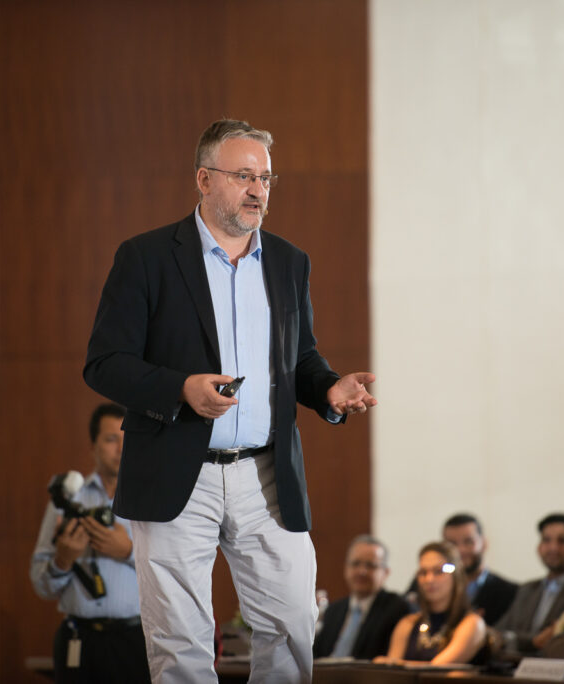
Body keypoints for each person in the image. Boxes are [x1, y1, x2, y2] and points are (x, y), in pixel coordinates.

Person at [83, 118, 377, 683]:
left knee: (291, 627)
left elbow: (301, 359)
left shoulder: (290, 262)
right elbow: (104, 363)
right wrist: (180, 389)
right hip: (176, 472)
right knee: (180, 644)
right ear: (204, 179)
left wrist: (329, 389)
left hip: (266, 473)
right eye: (243, 176)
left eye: (266, 179)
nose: (258, 191)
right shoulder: (145, 257)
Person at [30, 403, 151, 684]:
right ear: (92, 446)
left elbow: (174, 571)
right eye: (111, 439)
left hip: (137, 640)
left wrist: (130, 552)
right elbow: (40, 584)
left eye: (128, 439)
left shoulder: (151, 503)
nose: (121, 448)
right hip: (78, 639)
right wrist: (62, 561)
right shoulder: (67, 501)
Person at [494, 513, 564, 654]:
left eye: (563, 541)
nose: (553, 547)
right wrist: (532, 641)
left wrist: (518, 640)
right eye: (546, 540)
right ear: (539, 547)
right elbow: (499, 633)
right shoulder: (527, 589)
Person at [376, 541, 487, 664]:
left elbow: (437, 669)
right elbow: (391, 673)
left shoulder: (472, 624)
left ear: (456, 576)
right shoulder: (407, 624)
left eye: (438, 571)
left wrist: (395, 665)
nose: (429, 579)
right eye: (423, 572)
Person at [314, 535, 411, 660]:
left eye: (370, 565)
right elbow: (317, 653)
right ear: (346, 568)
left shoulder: (398, 609)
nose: (362, 571)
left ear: (385, 572)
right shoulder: (333, 610)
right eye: (355, 564)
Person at [442, 513, 518, 625]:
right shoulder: (429, 583)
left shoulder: (510, 592)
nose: (460, 550)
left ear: (484, 544)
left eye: (468, 542)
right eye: (452, 544)